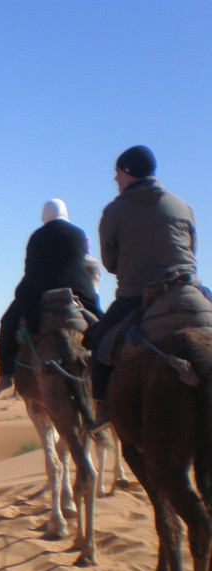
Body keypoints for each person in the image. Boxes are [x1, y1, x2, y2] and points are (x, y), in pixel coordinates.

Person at [89, 145, 197, 429]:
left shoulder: (114, 210)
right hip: (188, 290)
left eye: (117, 173)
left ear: (128, 173)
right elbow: (192, 253)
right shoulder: (183, 206)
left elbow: (110, 263)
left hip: (138, 296)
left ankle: (103, 407)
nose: (115, 180)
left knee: (100, 344)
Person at [0, 199, 103, 397]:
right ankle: (107, 376)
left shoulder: (37, 236)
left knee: (7, 323)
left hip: (40, 290)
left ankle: (6, 376)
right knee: (103, 323)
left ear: (45, 215)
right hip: (77, 289)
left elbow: (30, 269)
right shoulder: (78, 233)